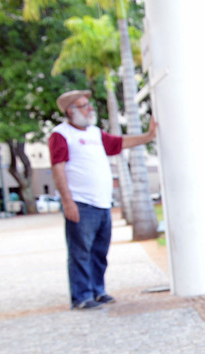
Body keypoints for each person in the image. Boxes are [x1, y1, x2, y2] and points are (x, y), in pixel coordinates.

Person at [49, 89, 157, 310]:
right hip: (80, 203)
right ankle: (81, 296)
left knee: (99, 251)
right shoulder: (61, 134)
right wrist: (67, 201)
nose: (90, 109)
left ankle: (98, 290)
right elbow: (58, 168)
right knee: (80, 252)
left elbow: (119, 142)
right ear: (70, 111)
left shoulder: (95, 133)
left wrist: (147, 137)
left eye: (89, 105)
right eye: (84, 106)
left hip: (102, 203)